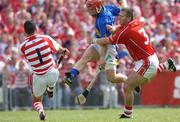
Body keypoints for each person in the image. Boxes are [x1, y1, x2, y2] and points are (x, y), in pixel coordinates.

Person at [92, 8, 176, 118]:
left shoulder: (127, 32)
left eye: (121, 16)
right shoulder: (135, 22)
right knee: (132, 84)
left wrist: (95, 40)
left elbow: (108, 41)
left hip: (146, 62)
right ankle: (165, 65)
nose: (119, 18)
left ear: (128, 18)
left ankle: (127, 114)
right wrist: (114, 28)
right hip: (145, 59)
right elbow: (120, 27)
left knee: (128, 86)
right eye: (119, 15)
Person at [63, 0, 136, 92]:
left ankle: (128, 80)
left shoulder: (104, 21)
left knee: (112, 78)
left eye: (91, 9)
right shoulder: (108, 8)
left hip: (109, 46)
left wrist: (102, 58)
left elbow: (105, 42)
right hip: (99, 42)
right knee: (84, 58)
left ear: (98, 8)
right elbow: (123, 11)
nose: (89, 12)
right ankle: (70, 76)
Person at [19, 20, 69, 120]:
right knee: (53, 69)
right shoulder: (45, 38)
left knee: (36, 100)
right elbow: (60, 50)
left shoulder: (22, 47)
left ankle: (41, 111)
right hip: (52, 73)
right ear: (36, 29)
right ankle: (50, 88)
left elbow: (26, 57)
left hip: (38, 77)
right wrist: (64, 51)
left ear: (25, 32)